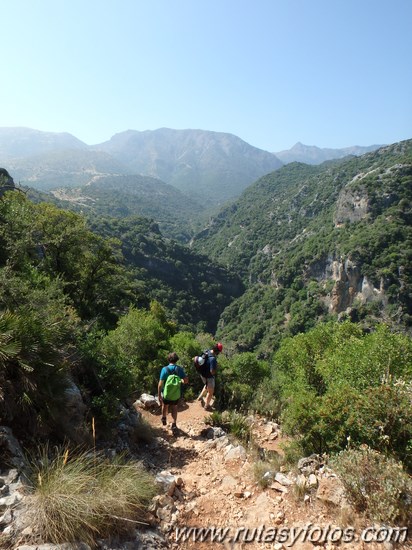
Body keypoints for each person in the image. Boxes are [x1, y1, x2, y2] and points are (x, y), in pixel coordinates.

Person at [158, 352, 188, 433]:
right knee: (174, 407)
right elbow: (186, 381)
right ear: (176, 360)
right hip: (176, 394)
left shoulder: (164, 369)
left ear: (168, 359)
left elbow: (160, 384)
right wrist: (180, 380)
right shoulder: (179, 369)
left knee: (165, 405)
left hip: (166, 394)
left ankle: (164, 418)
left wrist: (159, 395)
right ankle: (174, 423)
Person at [198, 342, 222, 411]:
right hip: (209, 377)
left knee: (206, 385)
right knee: (210, 392)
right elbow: (212, 371)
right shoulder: (213, 359)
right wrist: (216, 369)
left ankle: (199, 398)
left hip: (202, 374)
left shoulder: (206, 351)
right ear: (217, 351)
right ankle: (207, 406)